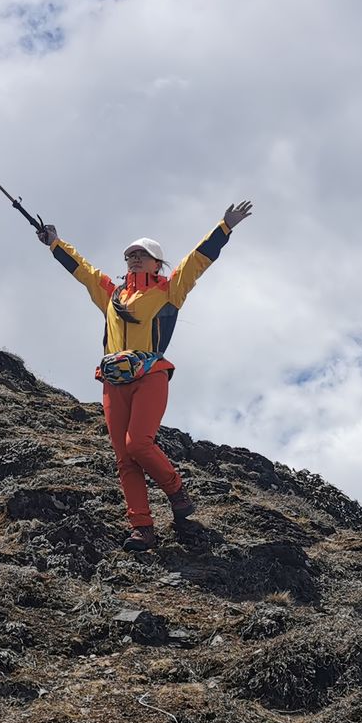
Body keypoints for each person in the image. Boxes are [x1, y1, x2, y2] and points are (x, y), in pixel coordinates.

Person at [36, 201, 253, 550]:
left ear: (157, 262)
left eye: (143, 254)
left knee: (138, 443)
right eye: (130, 255)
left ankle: (176, 490)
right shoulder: (111, 293)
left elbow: (197, 261)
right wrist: (55, 243)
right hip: (113, 379)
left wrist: (224, 227)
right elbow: (83, 271)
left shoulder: (169, 290)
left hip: (151, 373)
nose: (135, 258)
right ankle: (142, 528)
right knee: (124, 457)